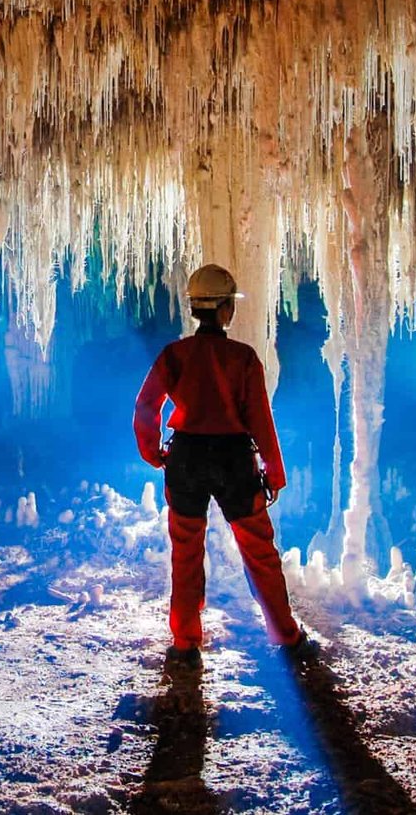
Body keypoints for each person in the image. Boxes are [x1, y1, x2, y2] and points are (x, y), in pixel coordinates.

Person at [133, 263, 305, 668]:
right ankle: (285, 634)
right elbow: (261, 420)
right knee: (259, 550)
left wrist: (152, 450)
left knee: (186, 550)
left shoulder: (175, 355)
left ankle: (185, 640)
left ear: (196, 308)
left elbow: (145, 405)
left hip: (187, 459)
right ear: (225, 308)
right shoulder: (242, 358)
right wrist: (274, 471)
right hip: (233, 461)